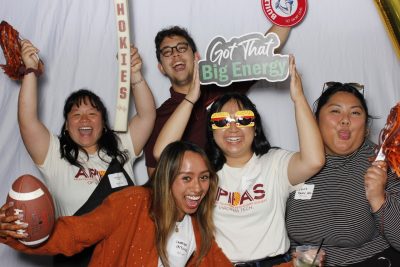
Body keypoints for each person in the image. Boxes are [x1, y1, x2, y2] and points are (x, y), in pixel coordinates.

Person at [155, 55, 325, 266]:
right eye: (221, 121)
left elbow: (314, 160)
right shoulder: (204, 171)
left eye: (243, 119)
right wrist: (191, 97)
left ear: (255, 128)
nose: (233, 128)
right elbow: (162, 154)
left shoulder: (275, 162)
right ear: (212, 132)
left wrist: (298, 98)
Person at [12, 39, 156, 265]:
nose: (85, 119)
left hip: (126, 259)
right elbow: (27, 121)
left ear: (104, 122)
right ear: (67, 126)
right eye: (76, 115)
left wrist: (135, 75)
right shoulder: (53, 155)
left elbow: (147, 115)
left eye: (92, 113)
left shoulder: (122, 146)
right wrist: (30, 71)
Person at [0, 141, 233, 267]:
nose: (197, 188)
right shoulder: (132, 202)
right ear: (167, 178)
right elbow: (73, 233)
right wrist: (19, 231)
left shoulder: (196, 227)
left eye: (204, 177)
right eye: (186, 178)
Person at [144, 24, 291, 177]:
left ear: (196, 57)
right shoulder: (158, 118)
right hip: (198, 194)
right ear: (161, 67)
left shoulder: (221, 82)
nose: (175, 55)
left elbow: (264, 50)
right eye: (167, 52)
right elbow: (156, 179)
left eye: (181, 48)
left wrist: (288, 13)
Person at [285, 82, 400, 266]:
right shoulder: (295, 165)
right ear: (314, 121)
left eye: (355, 113)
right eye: (335, 111)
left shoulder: (383, 165)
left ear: (366, 126)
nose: (345, 120)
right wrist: (293, 258)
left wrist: (379, 199)